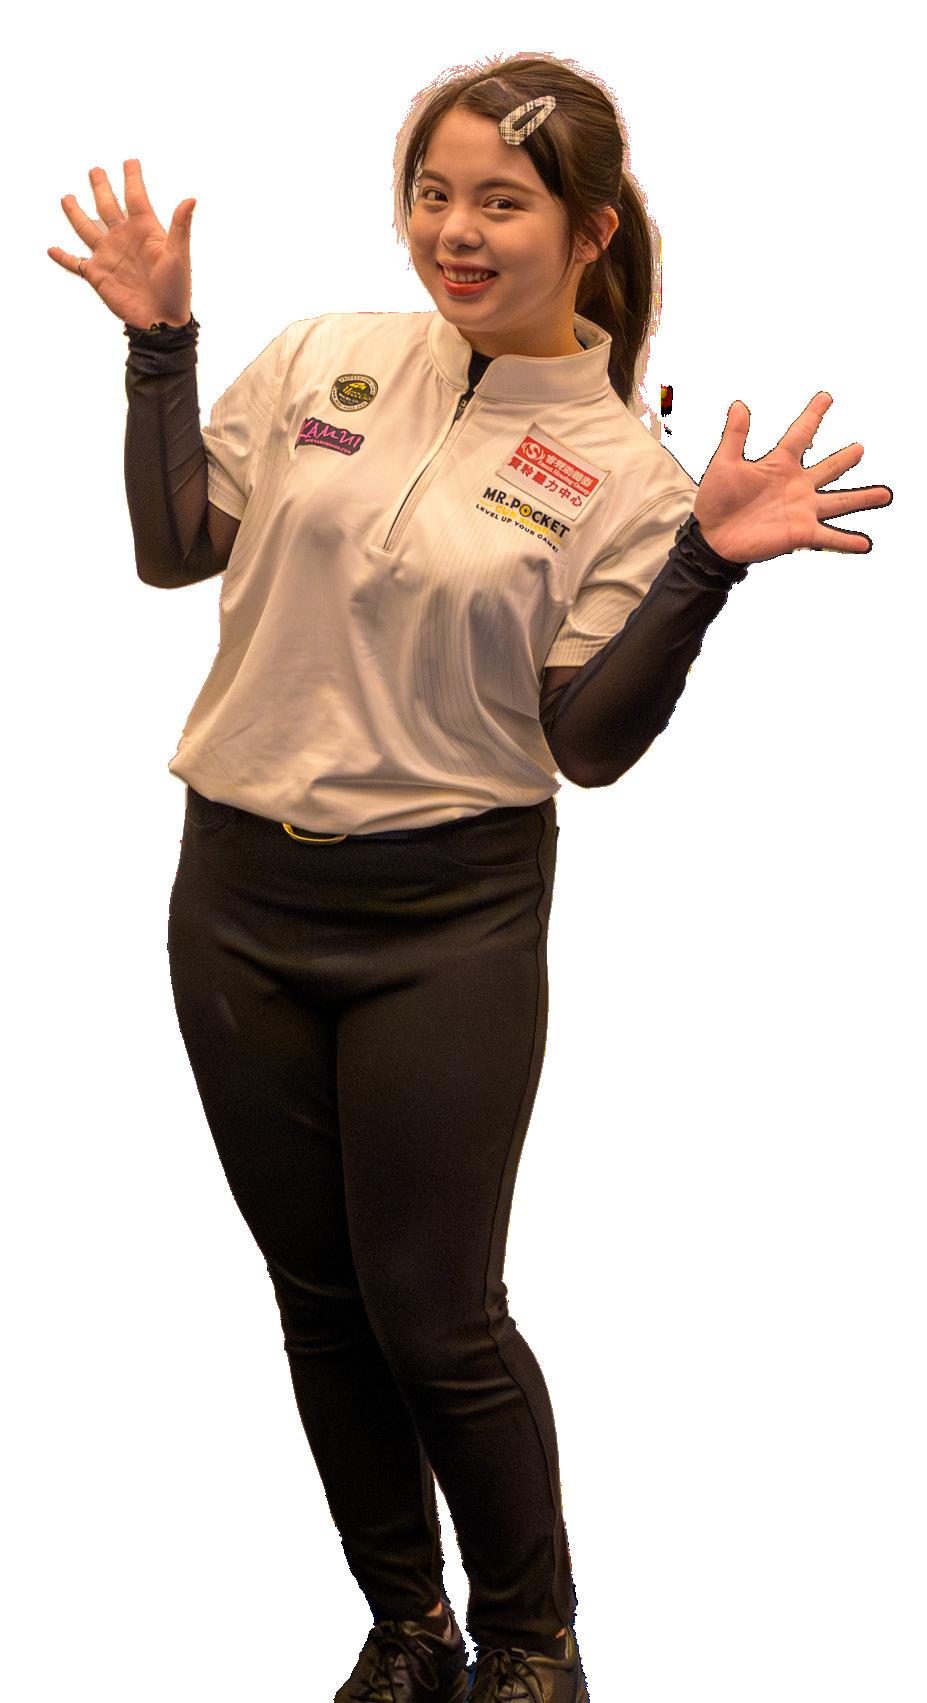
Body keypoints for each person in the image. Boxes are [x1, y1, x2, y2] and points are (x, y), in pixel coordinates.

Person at [48, 51, 892, 1703]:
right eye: (434, 194)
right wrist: (161, 347)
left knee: (434, 1312)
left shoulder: (626, 470)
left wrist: (703, 568)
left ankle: (530, 1640)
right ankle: (406, 1629)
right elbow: (173, 546)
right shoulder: (326, 355)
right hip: (236, 900)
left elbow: (588, 741)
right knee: (317, 1299)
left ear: (588, 234)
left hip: (447, 919)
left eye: (501, 202)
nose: (456, 229)